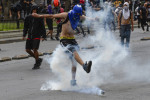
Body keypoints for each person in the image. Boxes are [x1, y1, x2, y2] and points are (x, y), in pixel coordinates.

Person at [32, 4, 94, 86]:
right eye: (77, 14)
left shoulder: (79, 16)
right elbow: (52, 15)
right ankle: (84, 66)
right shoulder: (66, 15)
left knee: (74, 61)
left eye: (79, 14)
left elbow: (87, 18)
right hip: (64, 39)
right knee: (74, 52)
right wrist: (39, 16)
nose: (77, 16)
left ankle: (73, 81)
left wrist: (95, 18)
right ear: (74, 12)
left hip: (72, 39)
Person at [23, 5, 46, 69]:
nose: (34, 11)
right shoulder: (28, 18)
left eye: (36, 10)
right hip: (30, 35)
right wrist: (24, 34)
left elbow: (42, 27)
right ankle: (38, 59)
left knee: (35, 49)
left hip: (37, 35)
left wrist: (44, 36)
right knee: (27, 50)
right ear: (31, 10)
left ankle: (36, 63)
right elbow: (25, 27)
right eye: (33, 10)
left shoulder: (39, 18)